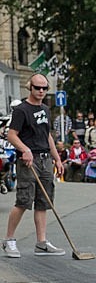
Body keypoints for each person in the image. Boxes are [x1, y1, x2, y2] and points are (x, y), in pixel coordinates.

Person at [3, 74, 65, 258]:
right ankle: (9, 240)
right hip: (29, 160)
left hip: (45, 159)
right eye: (37, 88)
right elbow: (12, 135)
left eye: (44, 88)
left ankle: (42, 243)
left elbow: (47, 136)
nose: (41, 91)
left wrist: (57, 159)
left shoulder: (45, 110)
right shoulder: (21, 110)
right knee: (23, 200)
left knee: (43, 201)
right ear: (30, 88)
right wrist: (25, 150)